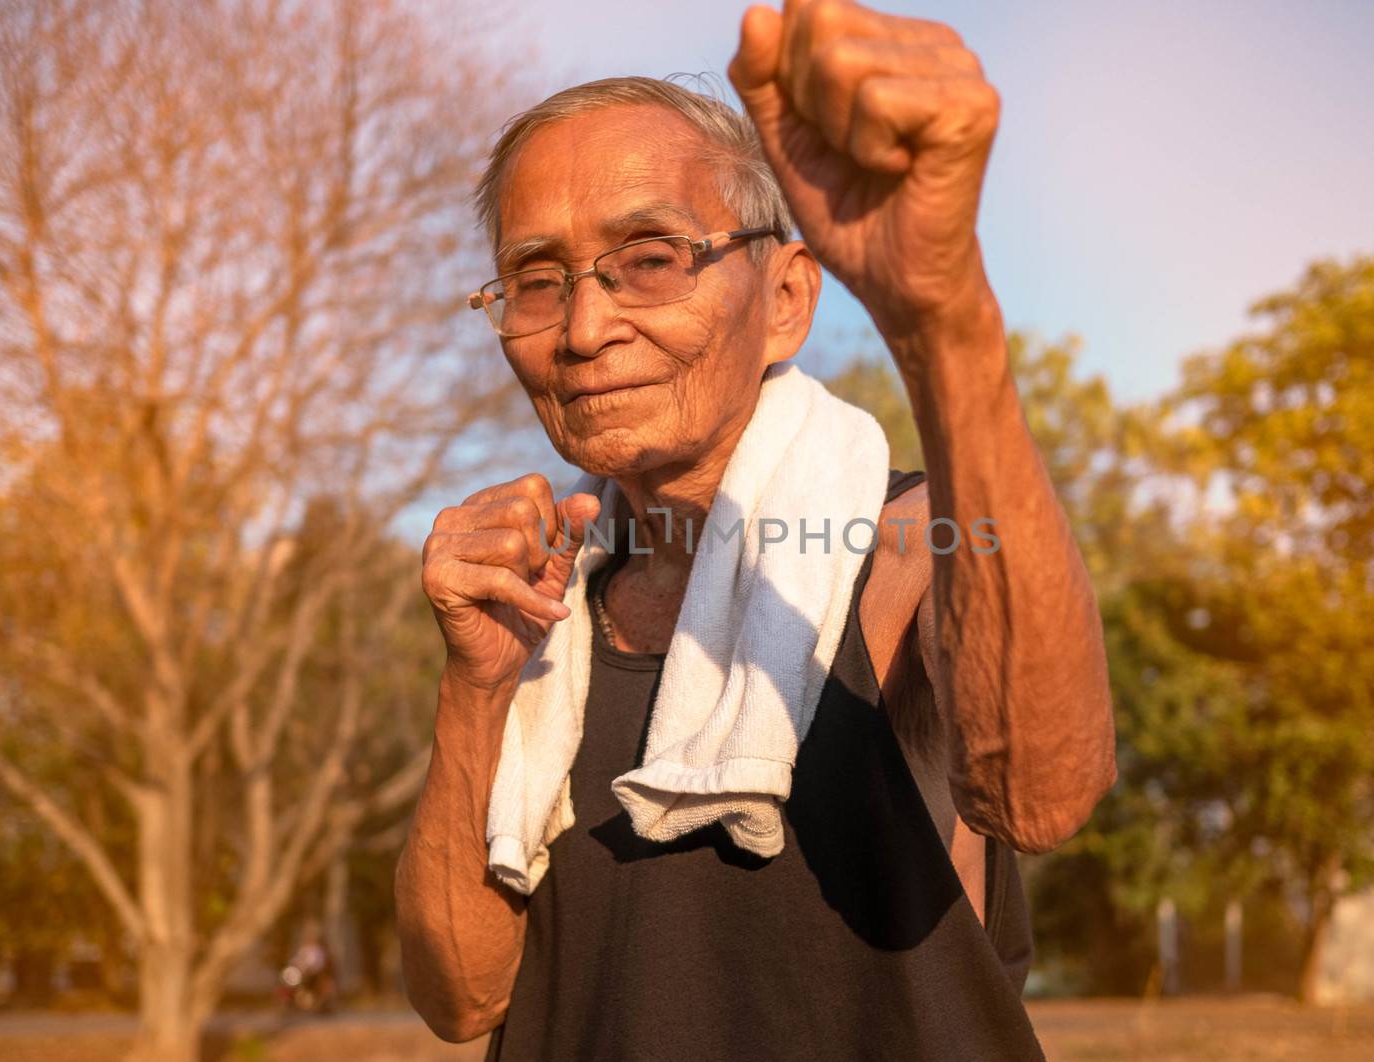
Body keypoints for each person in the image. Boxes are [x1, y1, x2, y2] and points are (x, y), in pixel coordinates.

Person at [395, 2, 1115, 1058]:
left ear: (785, 300)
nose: (586, 330)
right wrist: (476, 683)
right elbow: (459, 1000)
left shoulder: (907, 546)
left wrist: (942, 314)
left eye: (648, 260)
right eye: (539, 280)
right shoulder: (543, 610)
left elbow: (1043, 798)